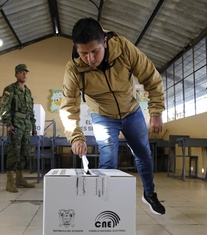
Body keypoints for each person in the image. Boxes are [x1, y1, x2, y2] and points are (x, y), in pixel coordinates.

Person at [59, 18, 166, 215]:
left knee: (143, 153)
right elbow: (68, 106)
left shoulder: (124, 48)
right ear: (76, 48)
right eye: (84, 53)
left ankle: (149, 194)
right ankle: (105, 204)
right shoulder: (74, 69)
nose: (90, 59)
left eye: (95, 51)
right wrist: (76, 136)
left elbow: (151, 77)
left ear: (105, 42)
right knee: (108, 158)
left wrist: (156, 111)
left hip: (132, 111)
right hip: (103, 115)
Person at [1, 64, 37, 193]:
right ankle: (10, 181)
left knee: (25, 152)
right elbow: (5, 108)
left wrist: (33, 126)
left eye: (26, 72)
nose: (24, 74)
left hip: (26, 125)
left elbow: (31, 111)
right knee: (14, 152)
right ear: (16, 74)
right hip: (15, 124)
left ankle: (20, 179)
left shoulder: (28, 91)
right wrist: (8, 124)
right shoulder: (9, 89)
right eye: (21, 72)